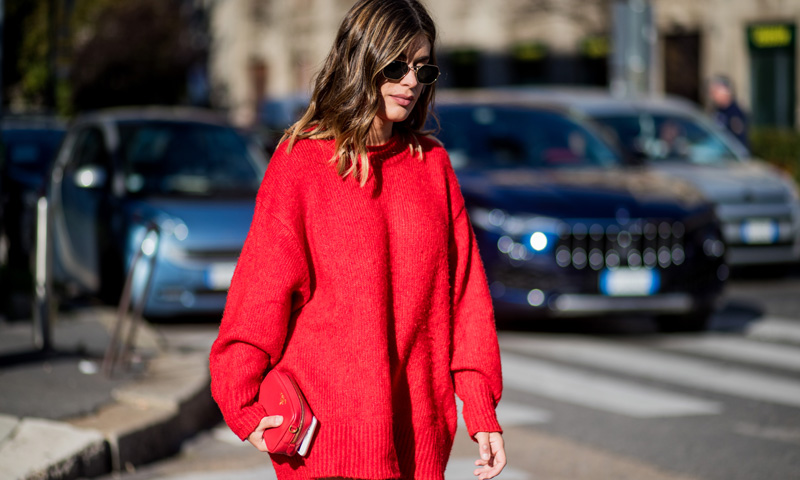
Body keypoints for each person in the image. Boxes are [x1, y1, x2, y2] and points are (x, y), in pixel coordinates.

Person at [208, 1, 506, 479]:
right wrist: (242, 402)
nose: (411, 80)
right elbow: (259, 294)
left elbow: (467, 298)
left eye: (422, 68)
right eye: (397, 65)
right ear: (361, 60)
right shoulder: (301, 164)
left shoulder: (433, 168)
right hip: (323, 440)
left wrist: (480, 407)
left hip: (418, 437)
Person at [708, 74, 749, 149]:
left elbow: (738, 140)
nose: (712, 95)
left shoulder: (734, 113)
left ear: (726, 92)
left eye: (715, 91)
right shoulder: (717, 110)